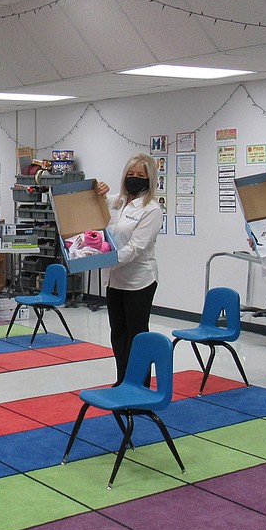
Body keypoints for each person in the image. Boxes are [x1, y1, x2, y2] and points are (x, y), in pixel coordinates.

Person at [95, 154, 164, 384]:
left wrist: (105, 259)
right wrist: (98, 190)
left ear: (149, 180)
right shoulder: (120, 202)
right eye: (130, 174)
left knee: (137, 336)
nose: (134, 179)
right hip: (114, 281)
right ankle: (122, 380)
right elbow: (100, 201)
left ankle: (140, 384)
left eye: (140, 176)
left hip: (139, 281)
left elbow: (136, 248)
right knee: (118, 334)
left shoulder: (152, 209)